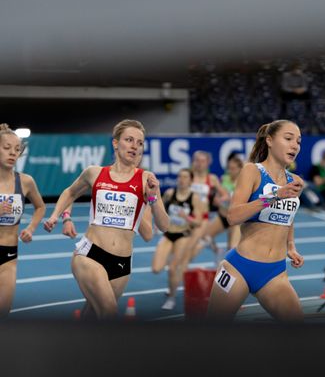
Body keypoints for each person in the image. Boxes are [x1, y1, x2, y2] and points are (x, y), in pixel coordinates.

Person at [43, 119, 169, 320]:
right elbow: (70, 192)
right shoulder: (95, 172)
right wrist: (58, 216)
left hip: (122, 263)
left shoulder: (146, 179)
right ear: (116, 143)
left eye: (140, 143)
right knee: (108, 313)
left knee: (93, 315)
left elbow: (163, 226)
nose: (134, 146)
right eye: (129, 140)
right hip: (90, 254)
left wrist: (153, 197)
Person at [206, 119, 305, 322]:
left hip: (275, 273)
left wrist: (291, 245)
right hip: (239, 267)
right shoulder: (252, 171)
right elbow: (233, 216)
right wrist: (275, 195)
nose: (295, 145)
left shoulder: (295, 181)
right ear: (269, 140)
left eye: (298, 141)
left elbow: (289, 215)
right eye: (288, 138)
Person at [0, 124, 46, 318]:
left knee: (3, 313)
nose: (13, 153)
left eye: (17, 149)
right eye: (7, 148)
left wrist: (31, 228)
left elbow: (41, 207)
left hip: (9, 257)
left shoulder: (25, 181)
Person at [151, 168, 203, 311]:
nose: (182, 179)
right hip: (168, 234)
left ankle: (171, 298)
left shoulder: (194, 198)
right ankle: (175, 258)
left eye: (185, 177)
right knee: (156, 268)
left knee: (173, 268)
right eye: (180, 176)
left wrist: (186, 217)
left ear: (191, 180)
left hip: (183, 235)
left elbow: (198, 222)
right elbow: (157, 206)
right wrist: (156, 222)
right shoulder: (169, 194)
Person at [187, 150, 230, 264]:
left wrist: (219, 200)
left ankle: (182, 266)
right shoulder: (187, 177)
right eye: (197, 160)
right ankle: (216, 249)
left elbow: (225, 194)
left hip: (204, 218)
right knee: (197, 240)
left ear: (208, 163)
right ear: (193, 162)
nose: (199, 163)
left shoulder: (212, 179)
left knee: (193, 246)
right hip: (188, 217)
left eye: (202, 161)